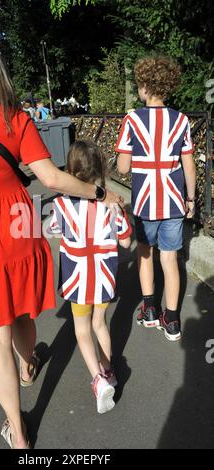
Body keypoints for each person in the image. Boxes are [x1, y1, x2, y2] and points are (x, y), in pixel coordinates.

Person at [0, 39, 123, 449]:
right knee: (20, 308)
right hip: (18, 221)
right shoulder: (15, 117)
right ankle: (28, 365)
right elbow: (50, 178)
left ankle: (17, 430)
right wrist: (98, 193)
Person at [116, 55, 196, 342]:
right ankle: (172, 320)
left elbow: (123, 167)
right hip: (174, 202)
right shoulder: (181, 120)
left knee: (145, 254)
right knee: (171, 260)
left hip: (144, 202)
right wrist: (190, 198)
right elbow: (188, 164)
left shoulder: (132, 119)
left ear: (145, 88)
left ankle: (149, 309)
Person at [49, 140, 132, 414]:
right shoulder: (112, 205)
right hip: (104, 276)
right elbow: (126, 243)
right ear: (101, 169)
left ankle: (98, 380)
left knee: (81, 329)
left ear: (70, 169)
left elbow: (54, 230)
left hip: (77, 278)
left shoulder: (61, 205)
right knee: (100, 323)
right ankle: (109, 371)